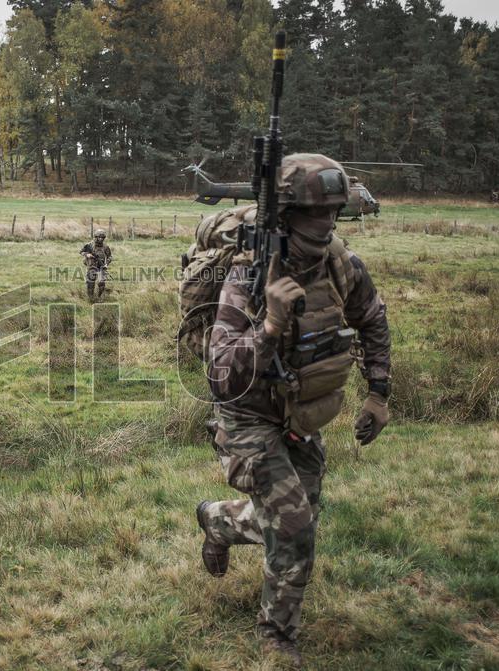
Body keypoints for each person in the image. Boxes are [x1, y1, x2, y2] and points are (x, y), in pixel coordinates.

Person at [196, 154, 391, 665]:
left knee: (292, 521)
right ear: (285, 216)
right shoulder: (248, 276)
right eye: (314, 214)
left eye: (333, 213)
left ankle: (217, 522)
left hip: (301, 413)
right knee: (295, 526)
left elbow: (372, 319)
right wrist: (269, 327)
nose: (326, 224)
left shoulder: (340, 264)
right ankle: (277, 634)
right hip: (248, 419)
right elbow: (219, 373)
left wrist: (378, 392)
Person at [80, 229, 112, 300]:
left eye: (102, 237)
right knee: (90, 283)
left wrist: (106, 264)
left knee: (101, 284)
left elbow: (110, 257)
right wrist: (87, 254)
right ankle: (91, 298)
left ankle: (99, 297)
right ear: (96, 237)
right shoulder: (90, 245)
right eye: (99, 237)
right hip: (91, 266)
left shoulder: (105, 247)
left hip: (101, 266)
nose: (101, 239)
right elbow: (81, 251)